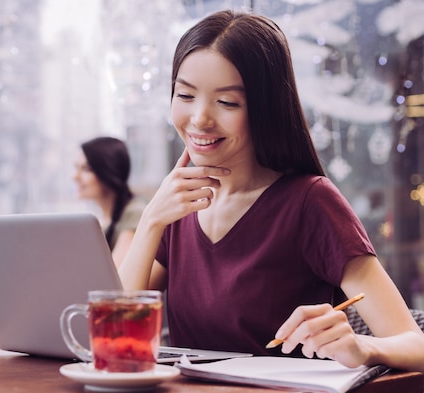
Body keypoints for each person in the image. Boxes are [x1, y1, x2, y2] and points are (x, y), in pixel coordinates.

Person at [118, 10, 424, 371]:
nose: (199, 117)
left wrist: (361, 346)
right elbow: (114, 331)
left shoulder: (310, 202)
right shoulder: (176, 205)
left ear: (266, 109)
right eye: (184, 95)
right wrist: (152, 220)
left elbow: (414, 345)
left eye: (227, 102)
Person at [73, 136, 145, 266]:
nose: (75, 176)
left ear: (107, 171)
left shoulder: (134, 213)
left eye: (86, 169)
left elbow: (114, 281)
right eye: (76, 167)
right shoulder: (102, 220)